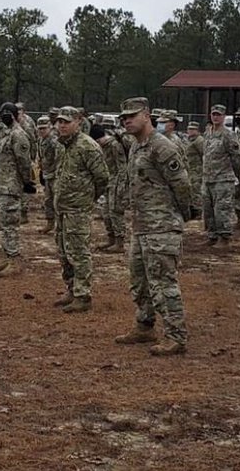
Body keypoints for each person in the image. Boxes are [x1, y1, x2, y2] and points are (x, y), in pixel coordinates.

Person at [112, 97, 192, 355]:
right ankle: (144, 325)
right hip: (141, 225)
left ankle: (175, 335)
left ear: (146, 115)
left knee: (162, 282)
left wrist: (177, 216)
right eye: (124, 117)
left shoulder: (162, 147)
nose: (127, 121)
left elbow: (182, 185)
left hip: (161, 227)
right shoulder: (136, 146)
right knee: (139, 280)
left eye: (132, 116)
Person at [52, 105, 109, 312]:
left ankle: (83, 295)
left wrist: (87, 198)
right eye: (60, 122)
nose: (62, 125)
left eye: (67, 122)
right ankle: (71, 288)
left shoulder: (88, 146)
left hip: (78, 209)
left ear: (78, 122)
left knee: (78, 252)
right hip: (63, 208)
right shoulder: (62, 145)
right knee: (63, 251)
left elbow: (102, 178)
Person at [0, 101, 34, 276]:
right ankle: (9, 256)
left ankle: (15, 259)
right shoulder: (7, 133)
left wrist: (26, 182)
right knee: (3, 223)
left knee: (9, 224)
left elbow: (24, 161)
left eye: (8, 113)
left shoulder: (18, 135)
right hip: (2, 184)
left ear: (16, 115)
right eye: (2, 113)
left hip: (11, 185)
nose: (4, 116)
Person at [202, 104, 240, 245]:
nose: (215, 117)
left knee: (222, 210)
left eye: (218, 115)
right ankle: (212, 235)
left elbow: (236, 157)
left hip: (223, 179)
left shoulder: (228, 135)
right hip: (208, 178)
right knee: (208, 210)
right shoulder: (208, 132)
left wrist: (237, 176)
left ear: (224, 116)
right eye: (213, 114)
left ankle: (224, 237)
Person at [93, 122, 128, 253]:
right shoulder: (103, 147)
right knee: (106, 213)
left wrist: (120, 186)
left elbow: (122, 167)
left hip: (117, 183)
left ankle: (120, 242)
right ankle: (111, 239)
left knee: (115, 212)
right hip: (108, 183)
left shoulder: (114, 145)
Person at [37, 114, 59, 233]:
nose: (41, 131)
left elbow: (59, 158)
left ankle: (59, 225)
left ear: (50, 127)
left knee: (57, 201)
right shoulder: (41, 140)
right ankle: (50, 223)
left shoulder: (54, 140)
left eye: (44, 128)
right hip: (47, 174)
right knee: (48, 200)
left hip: (55, 175)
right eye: (40, 128)